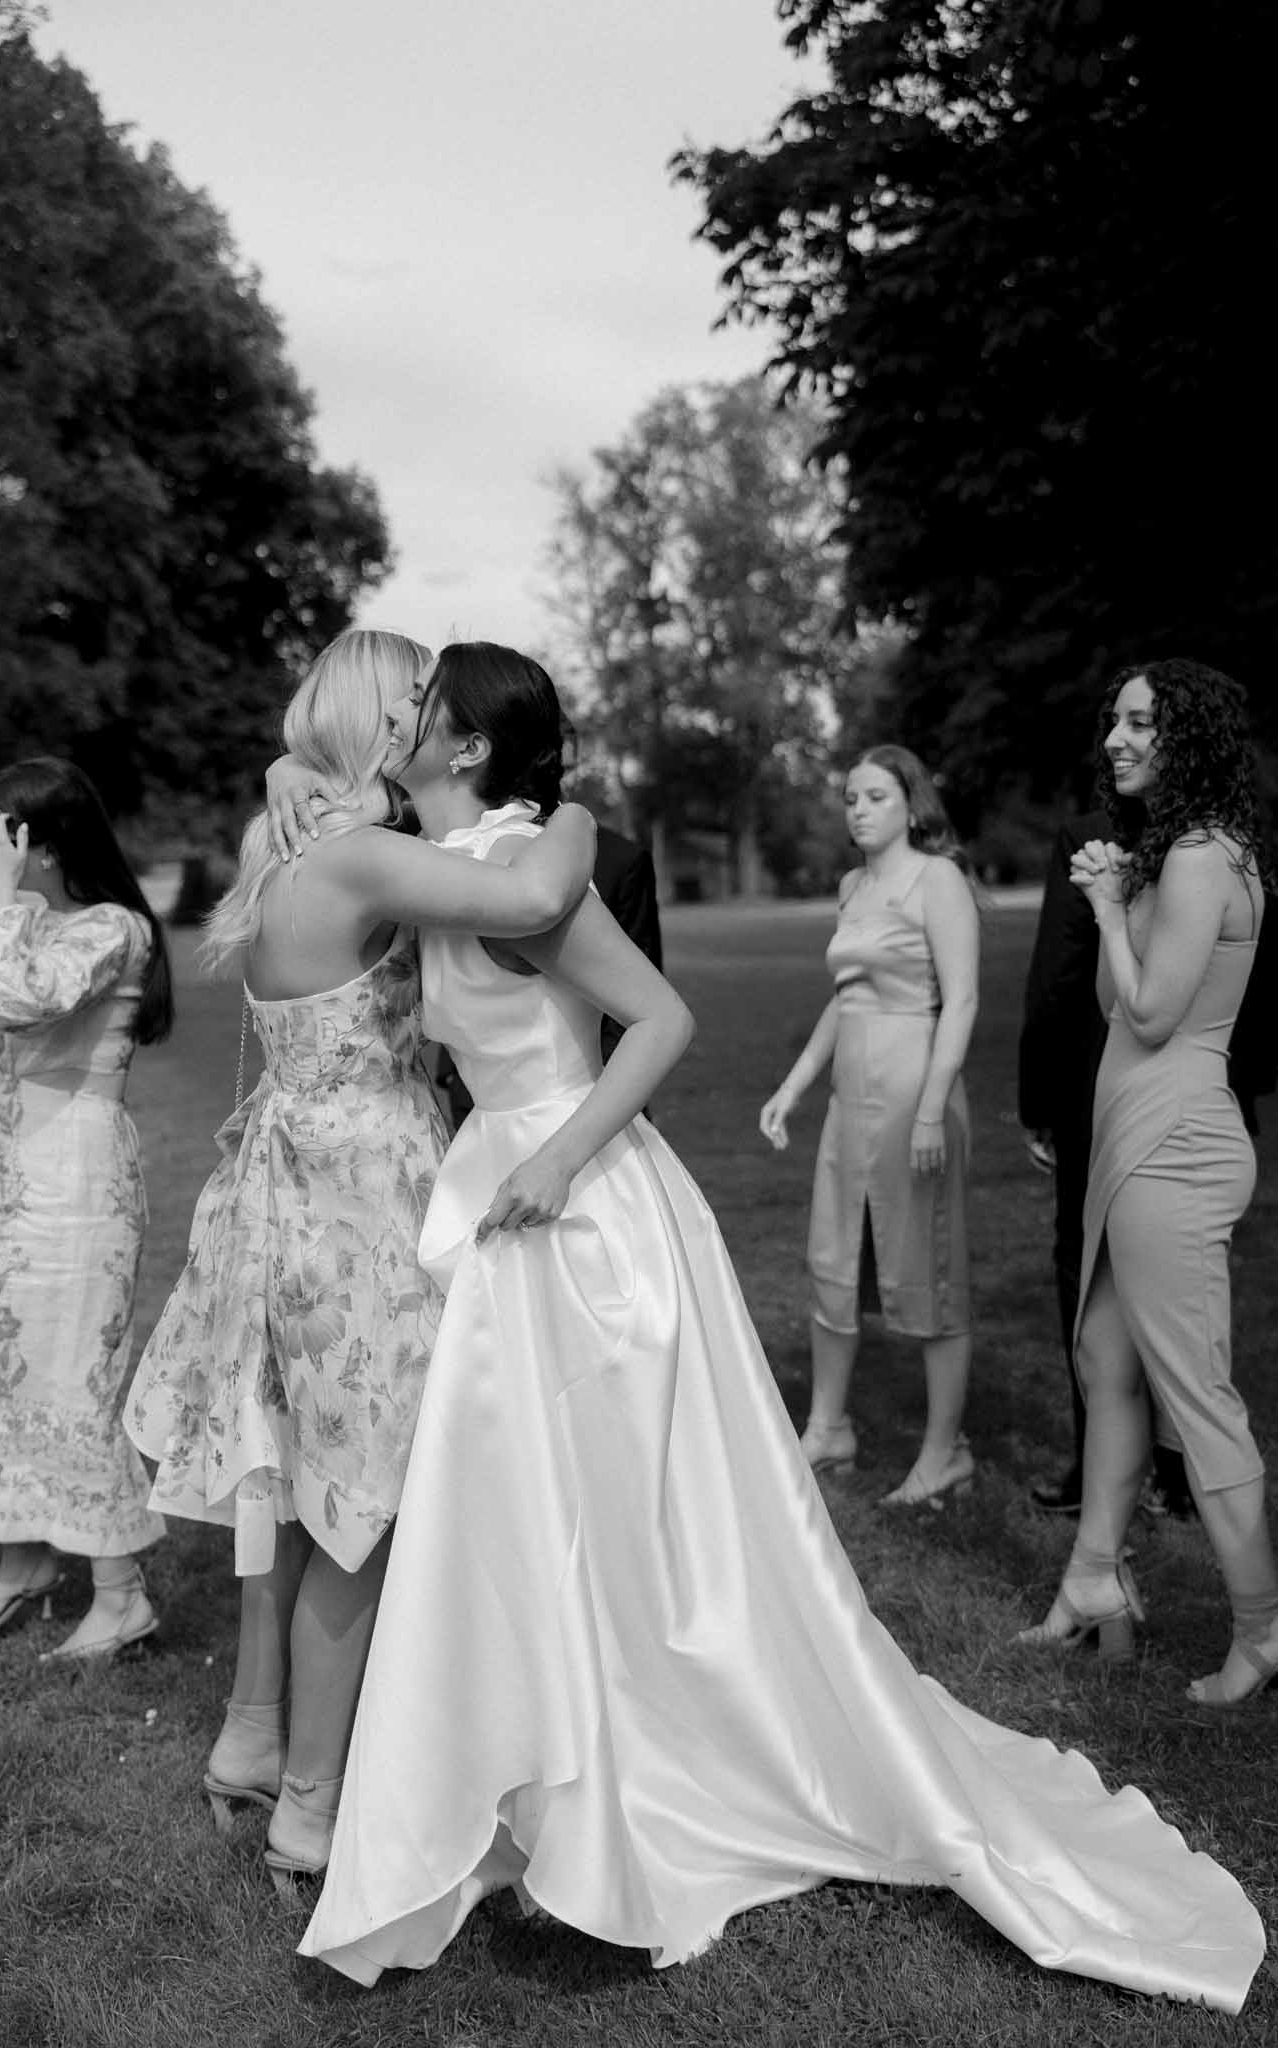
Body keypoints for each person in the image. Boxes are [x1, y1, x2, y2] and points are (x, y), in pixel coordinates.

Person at [269, 645, 1262, 2011]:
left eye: (421, 711)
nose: (403, 727)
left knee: (618, 1510)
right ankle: (532, 1776)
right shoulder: (463, 865)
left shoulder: (517, 868)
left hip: (580, 1211)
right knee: (520, 1509)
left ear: (470, 747)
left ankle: (646, 1774)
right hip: (496, 1202)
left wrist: (558, 1158)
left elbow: (662, 1019)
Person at [123, 628, 595, 1888]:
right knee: (361, 1508)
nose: (429, 723)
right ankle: (316, 1807)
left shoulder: (284, 838)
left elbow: (322, 801)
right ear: (381, 721)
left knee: (286, 1477)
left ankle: (252, 1738)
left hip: (279, 1180)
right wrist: (572, 804)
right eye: (415, 704)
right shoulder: (364, 853)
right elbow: (534, 898)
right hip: (361, 1194)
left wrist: (304, 777)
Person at [1016, 660, 1277, 1708]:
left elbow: (1153, 1011)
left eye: (1142, 723)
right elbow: (1122, 1001)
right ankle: (1092, 1577)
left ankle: (1261, 1628)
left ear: (1191, 738)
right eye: (1112, 720)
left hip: (1174, 1137)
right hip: (1143, 1129)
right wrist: (1121, 896)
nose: (1117, 738)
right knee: (1102, 1353)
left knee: (1197, 1390)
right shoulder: (1190, 852)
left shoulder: (1203, 855)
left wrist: (1105, 903)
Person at [0, 759, 172, 1660]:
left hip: (76, 1179)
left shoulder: (113, 928)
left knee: (71, 1378)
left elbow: (12, 996)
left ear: (47, 845)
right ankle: (22, 1562)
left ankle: (121, 1591)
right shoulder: (37, 921)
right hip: (17, 1171)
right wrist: (7, 903)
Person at [758, 747, 979, 1506]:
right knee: (833, 1257)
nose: (857, 808)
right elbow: (844, 996)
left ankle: (944, 1451)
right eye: (850, 796)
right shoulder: (853, 886)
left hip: (916, 1091)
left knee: (928, 1268)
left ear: (910, 804)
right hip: (850, 1102)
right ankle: (827, 1428)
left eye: (875, 795)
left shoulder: (938, 879)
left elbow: (964, 1001)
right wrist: (793, 1086)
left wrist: (928, 1111)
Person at [1019, 809, 1197, 1522]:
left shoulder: (1089, 837)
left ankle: (1102, 1464)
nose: (1116, 740)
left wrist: (1037, 1099)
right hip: (1197, 1086)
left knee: (1089, 1270)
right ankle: (1176, 1470)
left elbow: (1058, 974)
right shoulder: (1228, 837)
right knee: (1182, 1279)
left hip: (1103, 1085)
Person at [434, 819, 663, 1128]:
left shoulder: (618, 858)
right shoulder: (431, 851)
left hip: (576, 1108)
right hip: (475, 1103)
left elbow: (641, 998)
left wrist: (609, 1105)